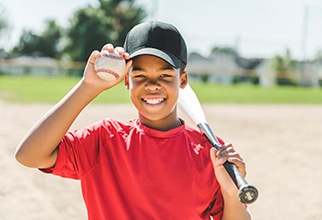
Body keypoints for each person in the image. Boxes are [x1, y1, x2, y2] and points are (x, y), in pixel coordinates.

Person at [15, 21, 251, 220]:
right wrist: (88, 88)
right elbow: (29, 155)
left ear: (183, 80)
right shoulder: (104, 139)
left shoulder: (210, 152)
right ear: (127, 81)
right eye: (140, 75)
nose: (152, 84)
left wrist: (231, 195)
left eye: (165, 75)